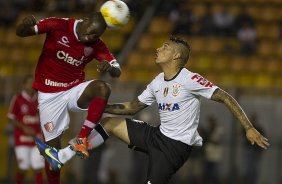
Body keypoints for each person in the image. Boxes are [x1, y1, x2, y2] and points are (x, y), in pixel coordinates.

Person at [37, 36, 269, 184]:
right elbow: (131, 108)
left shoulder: (190, 79)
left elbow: (226, 97)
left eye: (165, 47)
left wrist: (248, 128)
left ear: (177, 56)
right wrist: (99, 107)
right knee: (107, 123)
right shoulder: (158, 81)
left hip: (174, 148)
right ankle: (62, 157)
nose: (158, 48)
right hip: (156, 135)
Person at [16, 11, 121, 184]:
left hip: (74, 90)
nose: (89, 37)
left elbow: (117, 70)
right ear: (85, 20)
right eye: (90, 31)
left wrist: (110, 68)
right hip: (49, 96)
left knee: (103, 88)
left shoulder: (96, 44)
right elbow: (21, 33)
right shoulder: (58, 25)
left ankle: (82, 138)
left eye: (95, 35)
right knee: (53, 159)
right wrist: (24, 25)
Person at [7, 75, 45, 184]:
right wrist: (24, 127)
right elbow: (10, 118)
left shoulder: (40, 99)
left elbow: (43, 118)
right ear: (24, 85)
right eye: (29, 82)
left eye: (34, 83)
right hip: (22, 139)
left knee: (38, 168)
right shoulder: (18, 99)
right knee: (23, 168)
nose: (32, 85)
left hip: (37, 140)